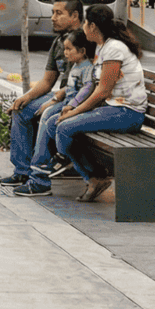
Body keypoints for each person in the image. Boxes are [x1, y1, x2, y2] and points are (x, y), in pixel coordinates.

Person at [54, 5, 148, 203]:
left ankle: (94, 177)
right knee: (59, 122)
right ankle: (92, 173)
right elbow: (96, 87)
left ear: (93, 26)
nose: (83, 27)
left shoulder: (114, 48)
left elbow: (103, 91)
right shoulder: (103, 46)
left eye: (85, 23)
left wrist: (75, 112)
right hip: (114, 110)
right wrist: (73, 107)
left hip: (127, 113)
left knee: (64, 128)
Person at [0, 0, 84, 187]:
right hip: (61, 96)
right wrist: (27, 97)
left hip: (76, 100)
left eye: (59, 13)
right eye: (53, 13)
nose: (53, 18)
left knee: (46, 114)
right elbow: (47, 81)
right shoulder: (59, 42)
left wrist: (53, 101)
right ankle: (22, 171)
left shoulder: (84, 41)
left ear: (74, 16)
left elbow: (82, 85)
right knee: (21, 109)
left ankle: (39, 177)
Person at [12, 29, 96, 197]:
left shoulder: (87, 67)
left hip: (74, 106)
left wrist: (71, 105)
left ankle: (43, 171)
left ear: (82, 51)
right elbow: (62, 86)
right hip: (66, 103)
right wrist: (54, 100)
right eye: (65, 49)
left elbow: (87, 88)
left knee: (50, 120)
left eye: (69, 49)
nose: (65, 53)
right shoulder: (76, 65)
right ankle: (26, 171)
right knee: (35, 115)